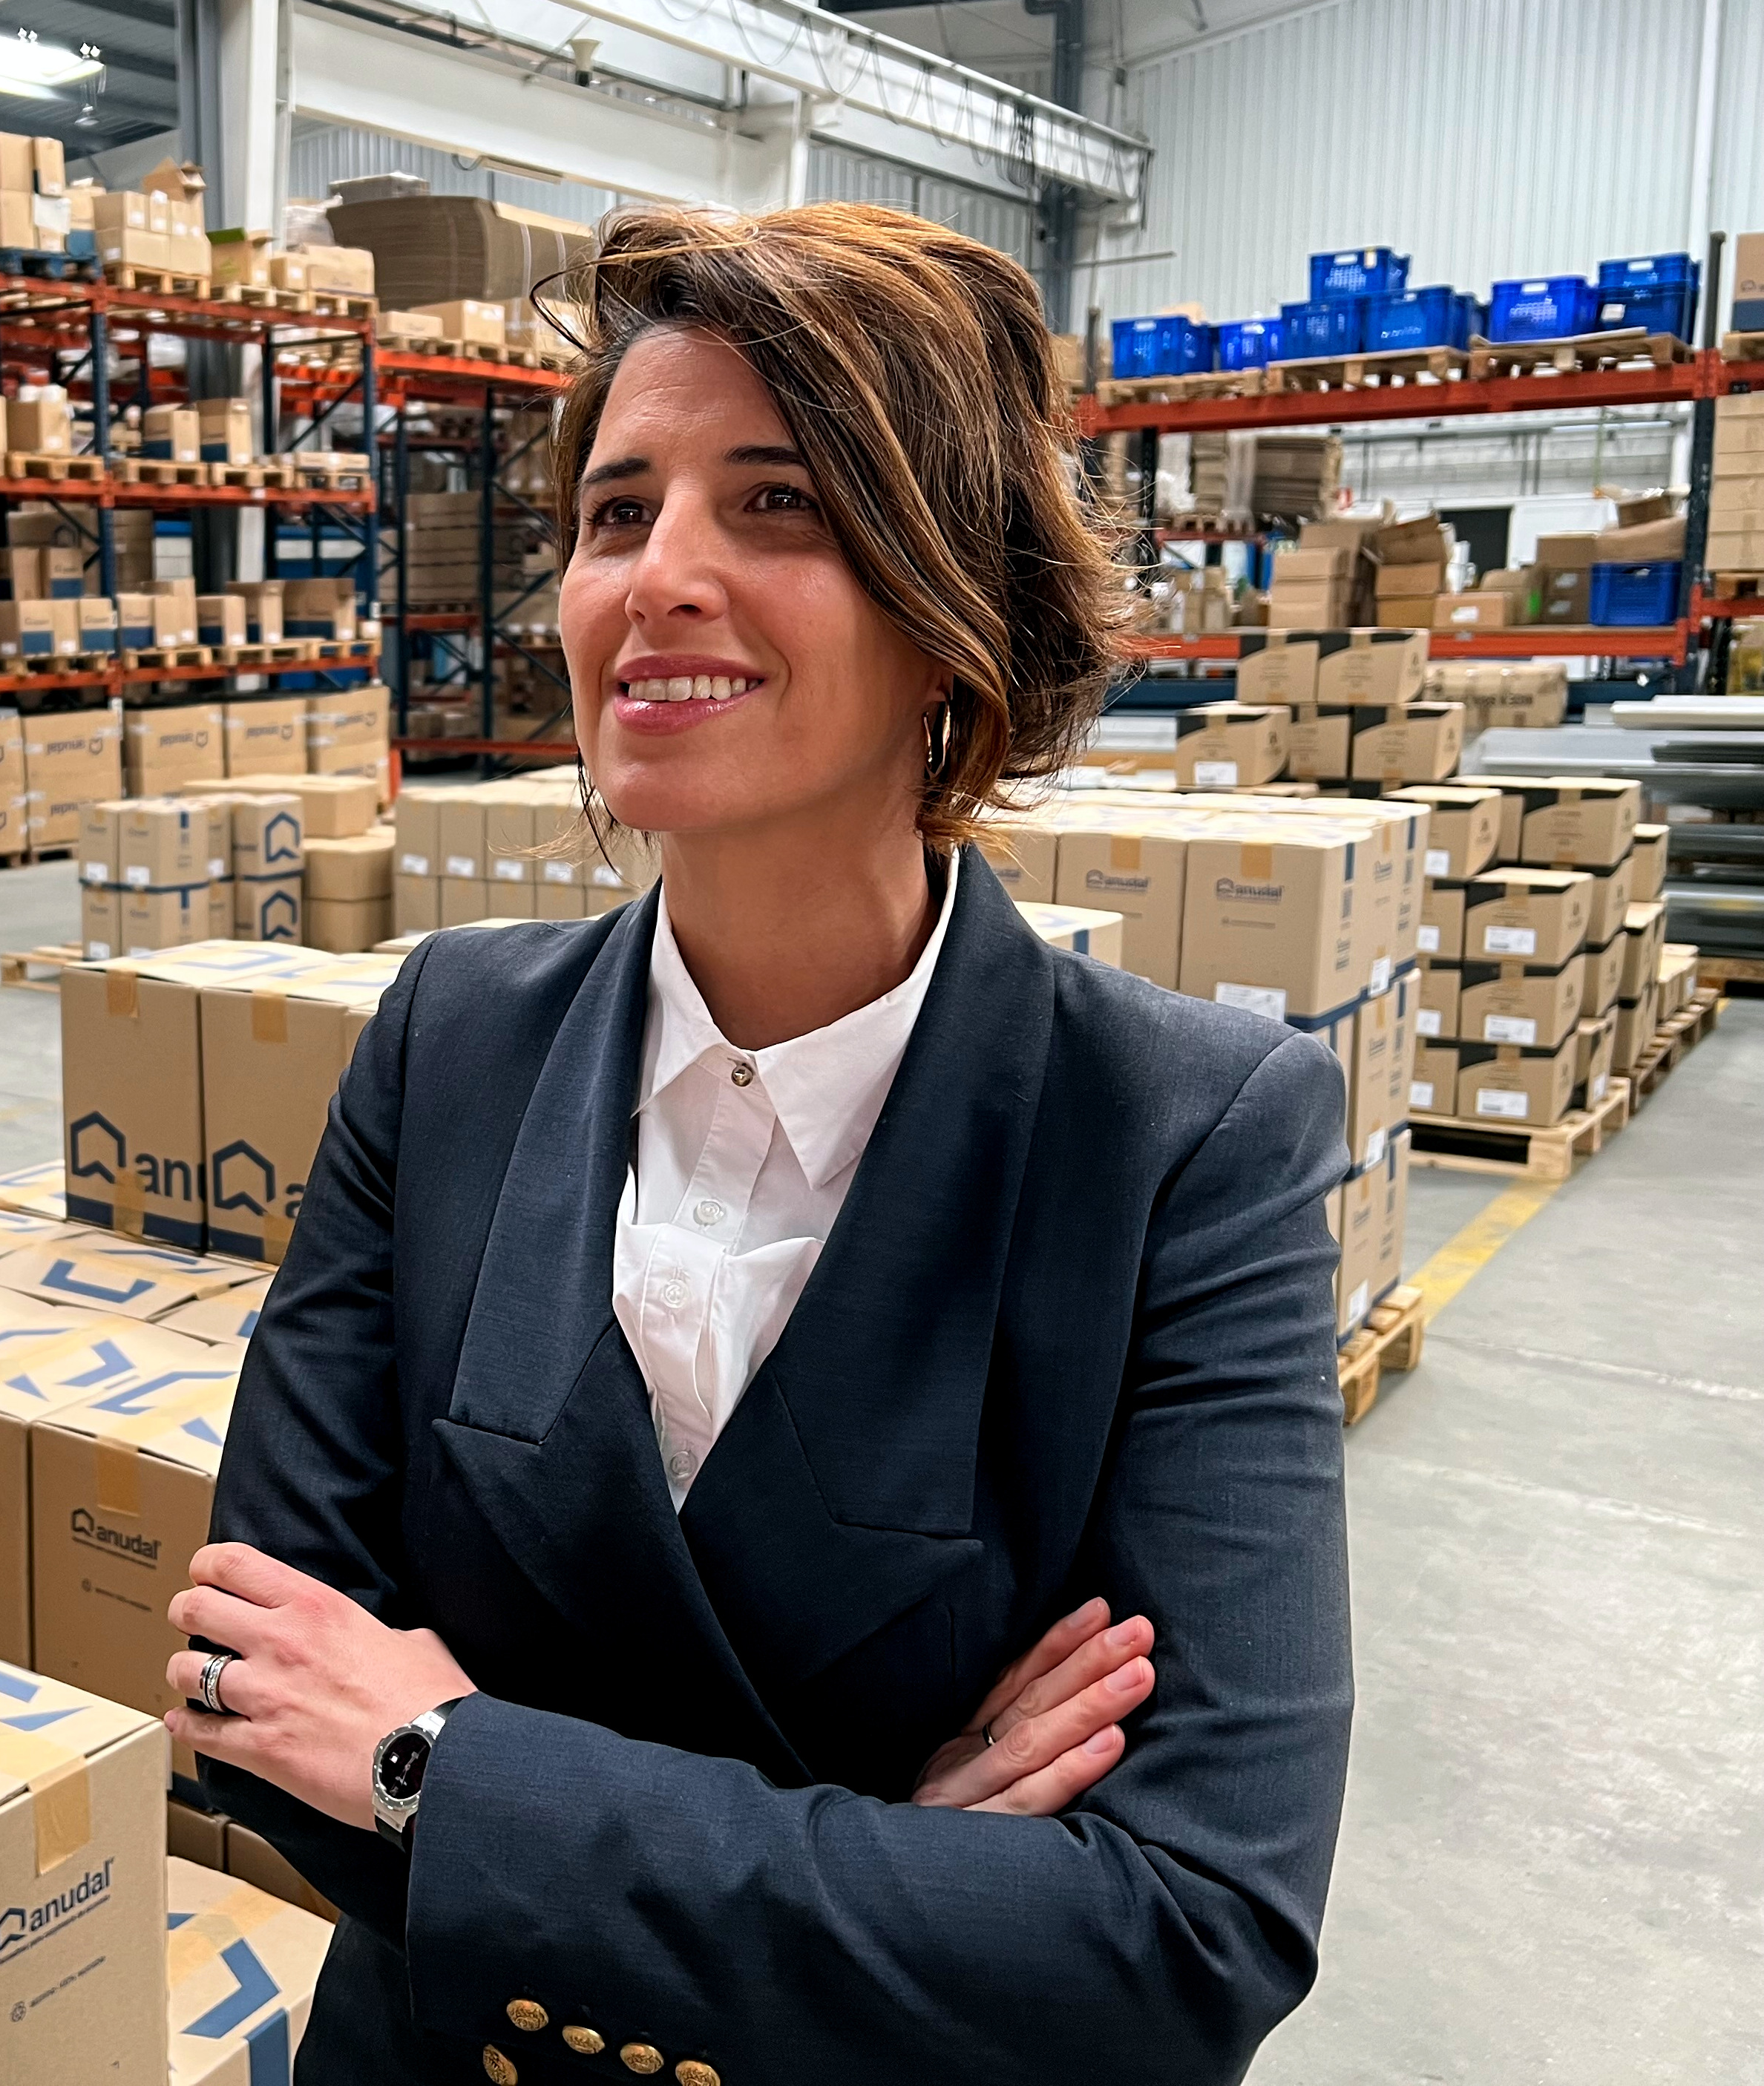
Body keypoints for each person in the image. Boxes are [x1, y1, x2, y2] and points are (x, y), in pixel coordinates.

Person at [163, 201, 1355, 2085]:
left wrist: (440, 1762)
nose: (658, 577)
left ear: (955, 599)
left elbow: (1182, 1935)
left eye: (774, 502)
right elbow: (250, 1691)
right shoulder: (450, 1039)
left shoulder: (1185, 1140)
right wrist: (902, 1853)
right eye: (615, 511)